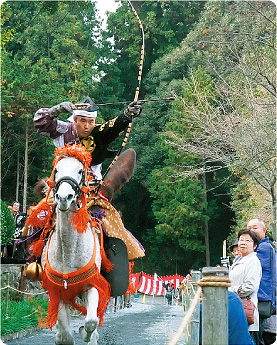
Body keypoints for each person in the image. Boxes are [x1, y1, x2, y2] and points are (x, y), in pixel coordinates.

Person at [33, 97, 142, 180]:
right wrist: (55, 110)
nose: (86, 126)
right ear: (75, 120)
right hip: (63, 182)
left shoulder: (99, 133)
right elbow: (40, 123)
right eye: (83, 121)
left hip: (92, 184)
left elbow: (115, 125)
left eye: (91, 122)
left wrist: (127, 114)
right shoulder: (64, 129)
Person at [229, 228, 262, 344]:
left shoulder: (253, 260)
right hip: (237, 310)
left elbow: (250, 287)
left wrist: (229, 291)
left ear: (255, 246)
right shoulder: (238, 261)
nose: (243, 243)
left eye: (248, 240)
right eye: (241, 240)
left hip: (246, 310)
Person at [247, 219, 277, 345]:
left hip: (260, 298)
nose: (251, 230)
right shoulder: (266, 247)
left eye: (255, 227)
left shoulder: (262, 248)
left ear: (264, 230)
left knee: (256, 337)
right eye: (248, 228)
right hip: (263, 297)